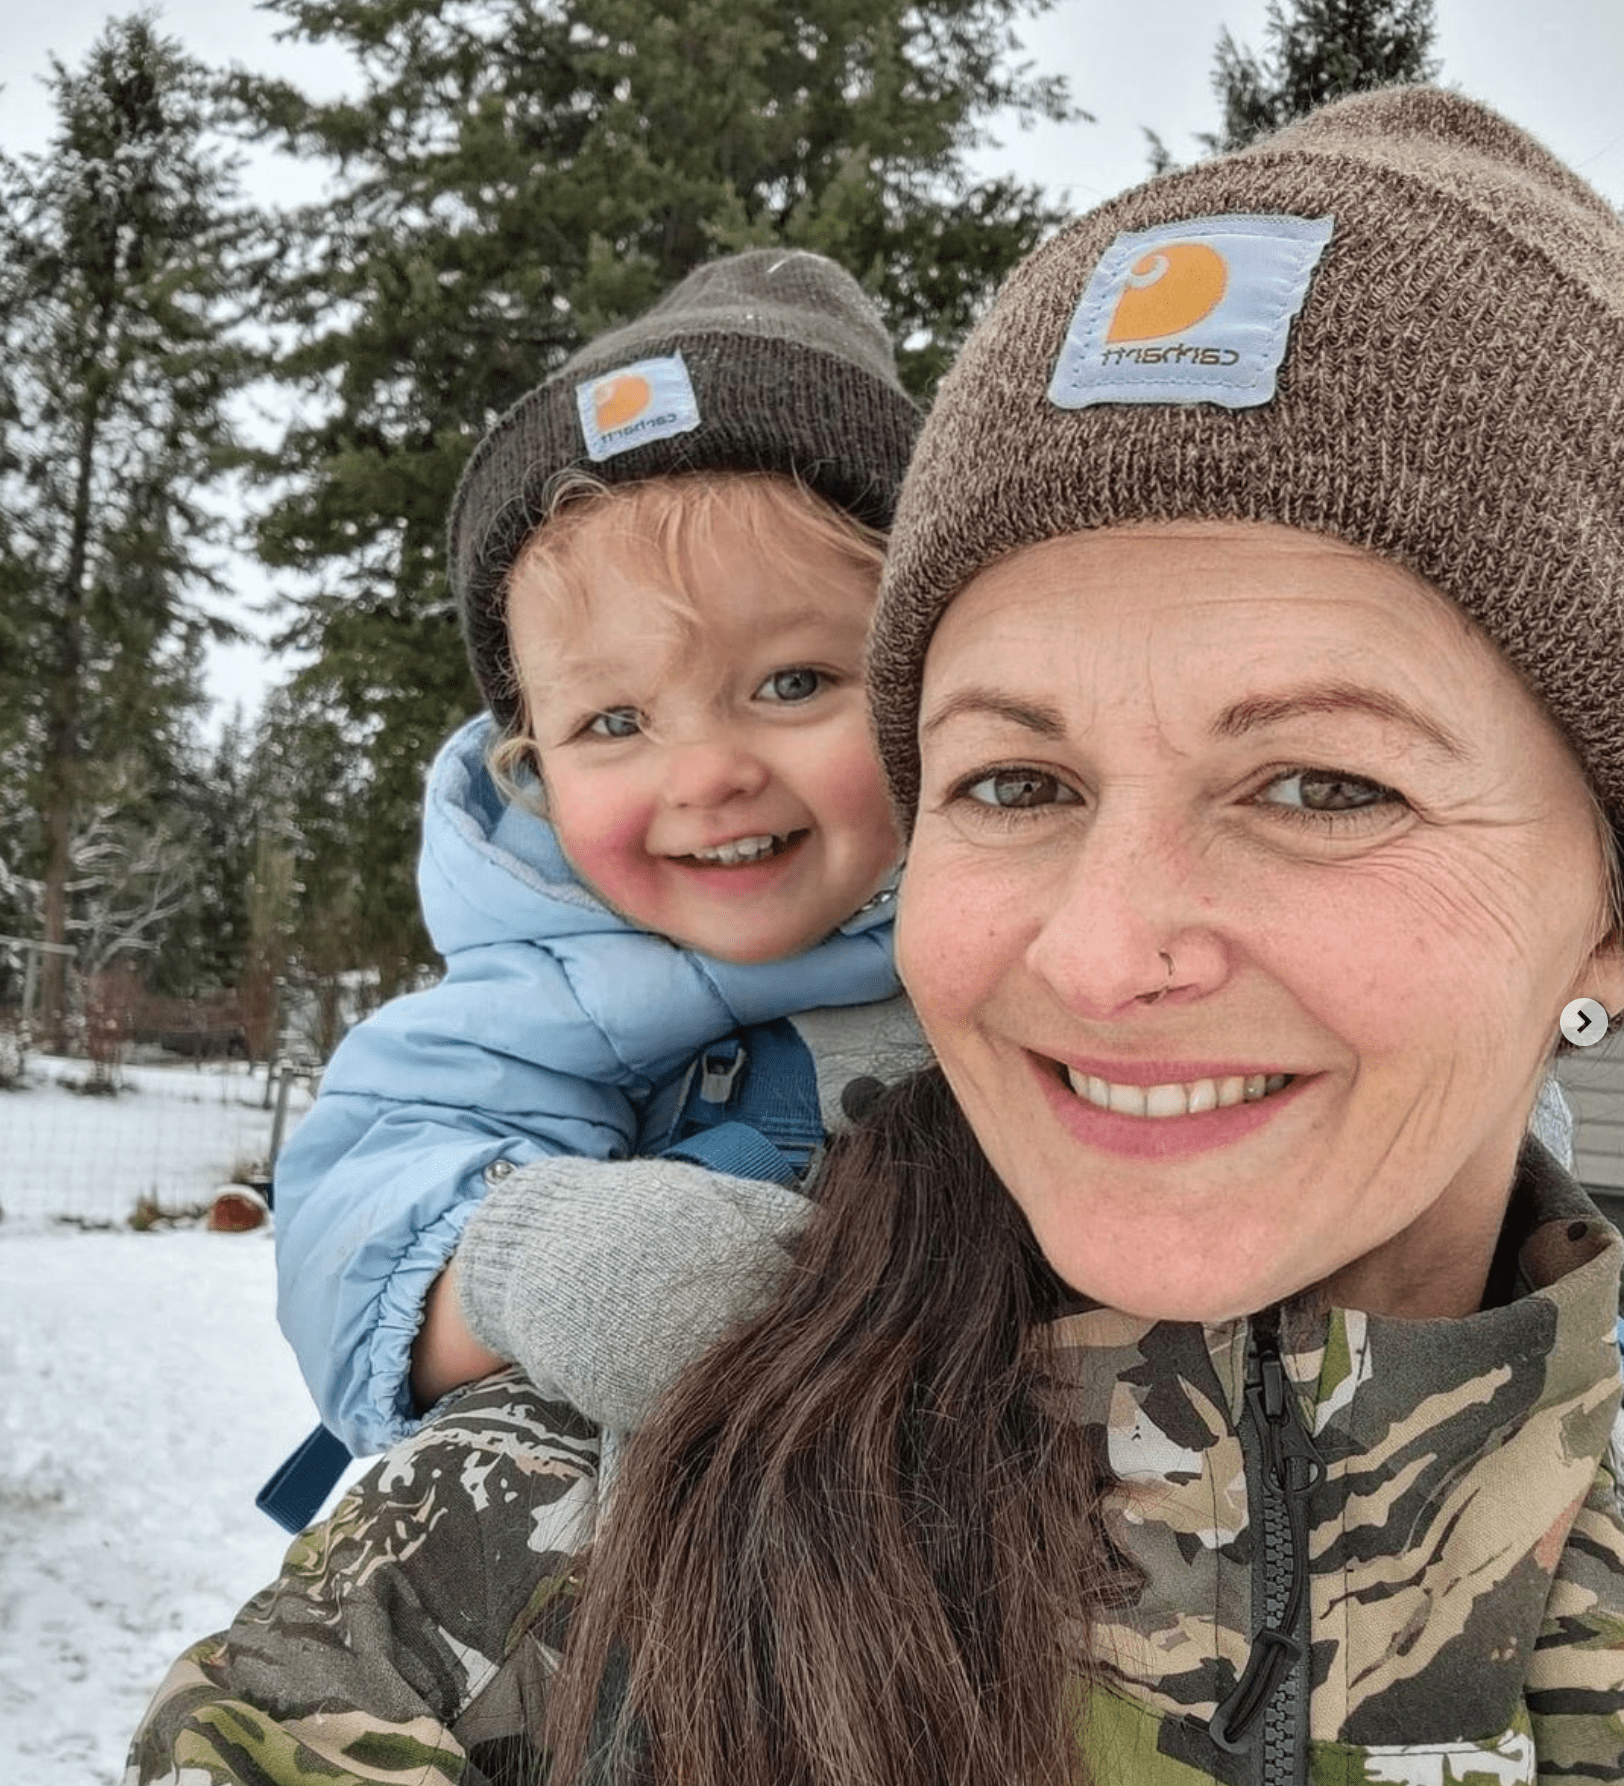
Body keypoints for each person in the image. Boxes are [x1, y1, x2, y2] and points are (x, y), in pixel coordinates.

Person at [127, 87, 1624, 1786]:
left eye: (1320, 784)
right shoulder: (511, 1578)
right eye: (1016, 781)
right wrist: (551, 1271)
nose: (1098, 953)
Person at [266, 246, 925, 1503]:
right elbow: (351, 1228)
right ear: (535, 767)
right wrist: (527, 1259)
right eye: (614, 722)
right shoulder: (536, 990)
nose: (706, 774)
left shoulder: (1036, 941)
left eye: (792, 683)